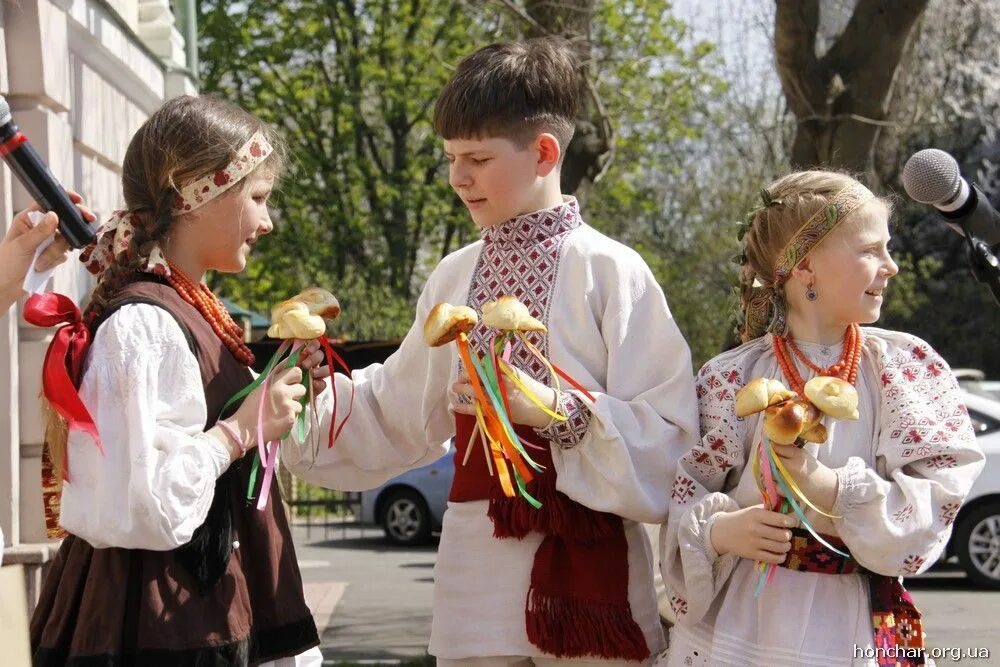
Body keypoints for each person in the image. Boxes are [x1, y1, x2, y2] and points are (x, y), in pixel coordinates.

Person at [286, 37, 699, 664]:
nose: (458, 176)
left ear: (544, 152)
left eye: (476, 157)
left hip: (591, 570)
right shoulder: (454, 275)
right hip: (477, 558)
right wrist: (308, 394)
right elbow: (400, 406)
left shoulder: (613, 271)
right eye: (452, 158)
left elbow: (671, 433)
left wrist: (561, 411)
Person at [29, 95, 322, 666]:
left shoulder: (192, 306)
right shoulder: (142, 323)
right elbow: (144, 505)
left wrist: (270, 395)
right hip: (158, 620)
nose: (267, 222)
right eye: (257, 197)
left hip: (204, 597)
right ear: (195, 189)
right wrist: (241, 430)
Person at [660, 171, 985, 666]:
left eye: (888, 248)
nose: (891, 266)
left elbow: (936, 498)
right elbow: (681, 496)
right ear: (806, 266)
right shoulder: (732, 376)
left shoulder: (902, 367)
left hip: (848, 623)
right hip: (741, 626)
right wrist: (720, 532)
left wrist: (828, 487)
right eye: (871, 251)